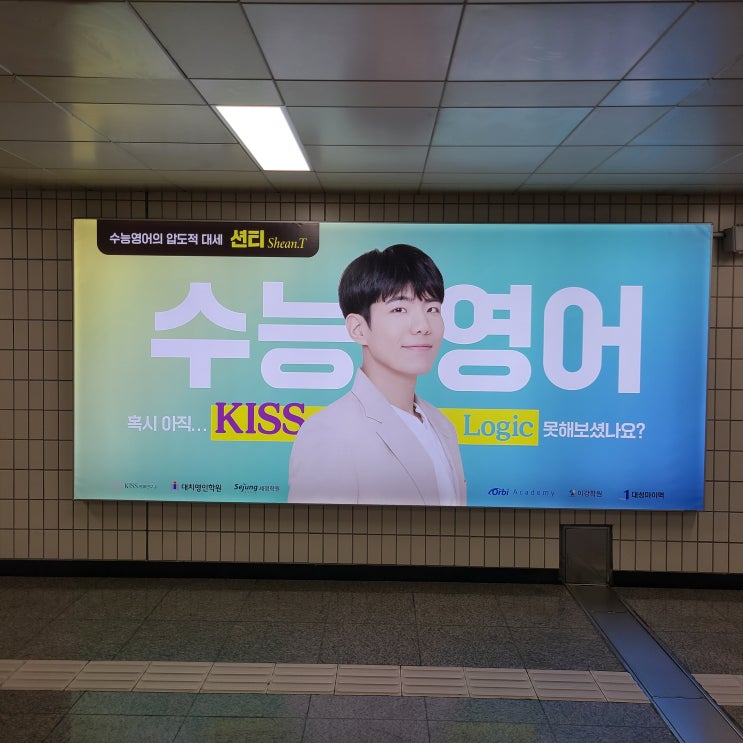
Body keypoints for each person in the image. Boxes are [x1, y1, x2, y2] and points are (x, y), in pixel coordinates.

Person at [288, 243, 466, 506]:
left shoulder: (441, 424)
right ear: (358, 329)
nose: (423, 326)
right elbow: (316, 532)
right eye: (399, 309)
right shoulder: (329, 433)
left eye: (432, 309)